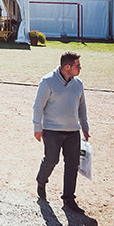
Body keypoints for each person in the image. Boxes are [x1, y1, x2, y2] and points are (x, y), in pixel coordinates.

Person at [33, 51, 90, 213]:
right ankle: (41, 181)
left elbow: (82, 107)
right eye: (77, 66)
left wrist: (85, 127)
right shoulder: (47, 82)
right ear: (67, 67)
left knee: (73, 165)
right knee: (51, 160)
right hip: (51, 130)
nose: (80, 68)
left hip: (73, 131)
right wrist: (37, 127)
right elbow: (38, 106)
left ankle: (68, 198)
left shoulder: (78, 83)